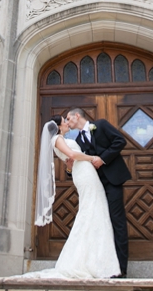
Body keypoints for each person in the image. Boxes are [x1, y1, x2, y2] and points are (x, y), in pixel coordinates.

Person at [28, 115, 121, 279]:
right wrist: (93, 158)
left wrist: (72, 166)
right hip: (85, 173)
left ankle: (95, 260)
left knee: (94, 210)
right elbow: (72, 154)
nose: (67, 123)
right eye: (64, 121)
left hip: (84, 172)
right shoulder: (57, 139)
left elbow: (69, 163)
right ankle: (91, 263)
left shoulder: (60, 139)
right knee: (92, 209)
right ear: (58, 126)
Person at [65, 108, 131, 278]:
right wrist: (70, 169)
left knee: (117, 221)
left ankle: (121, 269)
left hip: (113, 180)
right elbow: (82, 161)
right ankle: (105, 266)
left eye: (68, 118)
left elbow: (120, 141)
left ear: (77, 116)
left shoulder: (100, 125)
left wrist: (103, 159)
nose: (67, 122)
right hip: (96, 185)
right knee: (102, 223)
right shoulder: (78, 139)